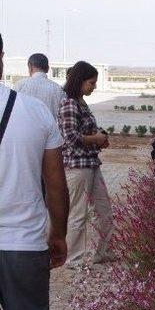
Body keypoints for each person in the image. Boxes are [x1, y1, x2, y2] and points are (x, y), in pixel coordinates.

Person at [0, 33, 69, 310]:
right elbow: (56, 186)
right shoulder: (33, 110)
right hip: (25, 246)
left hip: (23, 244)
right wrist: (58, 234)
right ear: (0, 58)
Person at [58, 61, 115, 266]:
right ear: (80, 81)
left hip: (91, 163)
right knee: (78, 214)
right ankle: (74, 259)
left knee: (104, 211)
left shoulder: (81, 103)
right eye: (91, 83)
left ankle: (102, 252)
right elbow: (70, 138)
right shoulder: (69, 104)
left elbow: (86, 132)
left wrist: (100, 138)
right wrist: (96, 139)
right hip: (78, 167)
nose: (94, 86)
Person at [14, 53, 65, 118]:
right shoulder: (58, 89)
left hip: (24, 127)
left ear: (30, 66)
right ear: (48, 69)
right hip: (50, 127)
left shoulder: (20, 85)